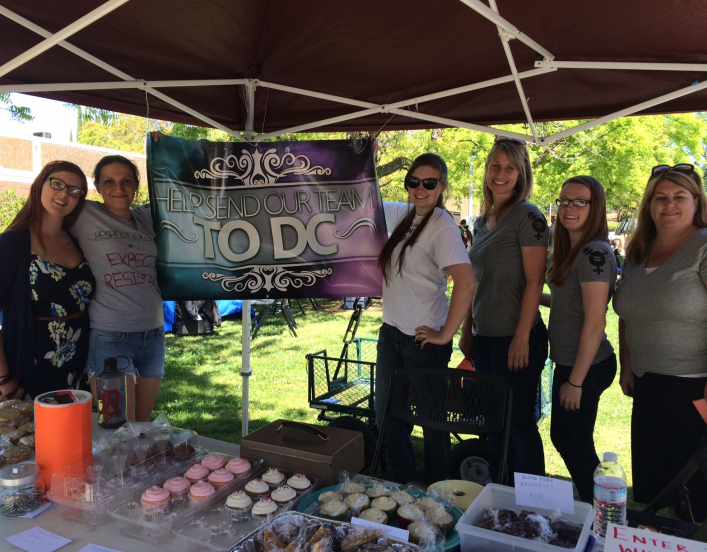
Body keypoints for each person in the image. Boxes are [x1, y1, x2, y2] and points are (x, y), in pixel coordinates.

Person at [613, 163, 707, 519]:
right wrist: (627, 364)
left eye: (679, 197)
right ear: (649, 205)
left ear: (696, 202)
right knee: (663, 494)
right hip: (651, 389)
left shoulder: (703, 245)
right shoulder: (640, 251)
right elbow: (627, 314)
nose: (669, 205)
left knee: (698, 501)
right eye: (660, 197)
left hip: (695, 391)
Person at [376, 153, 475, 480]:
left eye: (429, 183)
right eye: (413, 182)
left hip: (423, 341)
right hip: (391, 334)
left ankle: (438, 493)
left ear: (442, 186)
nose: (420, 189)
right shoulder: (402, 214)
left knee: (432, 422)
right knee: (386, 417)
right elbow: (364, 200)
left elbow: (466, 281)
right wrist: (362, 159)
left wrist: (446, 334)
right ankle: (403, 483)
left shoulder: (442, 226)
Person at [459, 137, 549, 482]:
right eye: (495, 165)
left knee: (520, 427)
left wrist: (522, 336)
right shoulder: (483, 222)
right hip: (486, 339)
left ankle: (533, 510)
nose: (501, 173)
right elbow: (474, 282)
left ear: (521, 173)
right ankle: (500, 497)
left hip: (517, 337)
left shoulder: (529, 216)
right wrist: (468, 329)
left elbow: (534, 280)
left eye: (510, 167)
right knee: (493, 424)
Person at [69, 155, 164, 422]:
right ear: (97, 186)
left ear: (136, 186)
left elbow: (180, 194)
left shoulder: (146, 217)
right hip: (110, 335)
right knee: (117, 428)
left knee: (141, 426)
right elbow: (39, 217)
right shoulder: (83, 214)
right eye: (109, 181)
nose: (118, 188)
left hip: (153, 334)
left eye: (126, 181)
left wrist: (164, 148)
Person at [540, 176, 617, 503]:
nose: (569, 208)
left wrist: (575, 382)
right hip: (571, 362)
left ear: (595, 207)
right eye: (564, 201)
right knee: (568, 439)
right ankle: (596, 508)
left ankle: (603, 511)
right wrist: (531, 298)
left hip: (586, 365)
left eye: (579, 202)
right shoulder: (573, 249)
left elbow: (595, 321)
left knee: (573, 442)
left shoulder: (593, 253)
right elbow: (568, 304)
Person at [0, 161, 94, 399]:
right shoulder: (13, 244)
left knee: (79, 433)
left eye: (74, 191)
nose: (64, 194)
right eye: (57, 184)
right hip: (32, 364)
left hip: (81, 364)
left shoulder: (77, 241)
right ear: (40, 184)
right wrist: (3, 378)